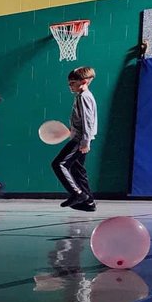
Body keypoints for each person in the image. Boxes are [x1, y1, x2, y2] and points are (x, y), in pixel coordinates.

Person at [53, 66, 98, 212]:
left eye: (72, 83)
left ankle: (77, 193)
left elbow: (88, 120)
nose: (70, 86)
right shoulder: (83, 96)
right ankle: (89, 203)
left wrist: (85, 141)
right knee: (78, 170)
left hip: (80, 140)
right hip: (79, 137)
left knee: (59, 164)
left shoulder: (84, 97)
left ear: (83, 81)